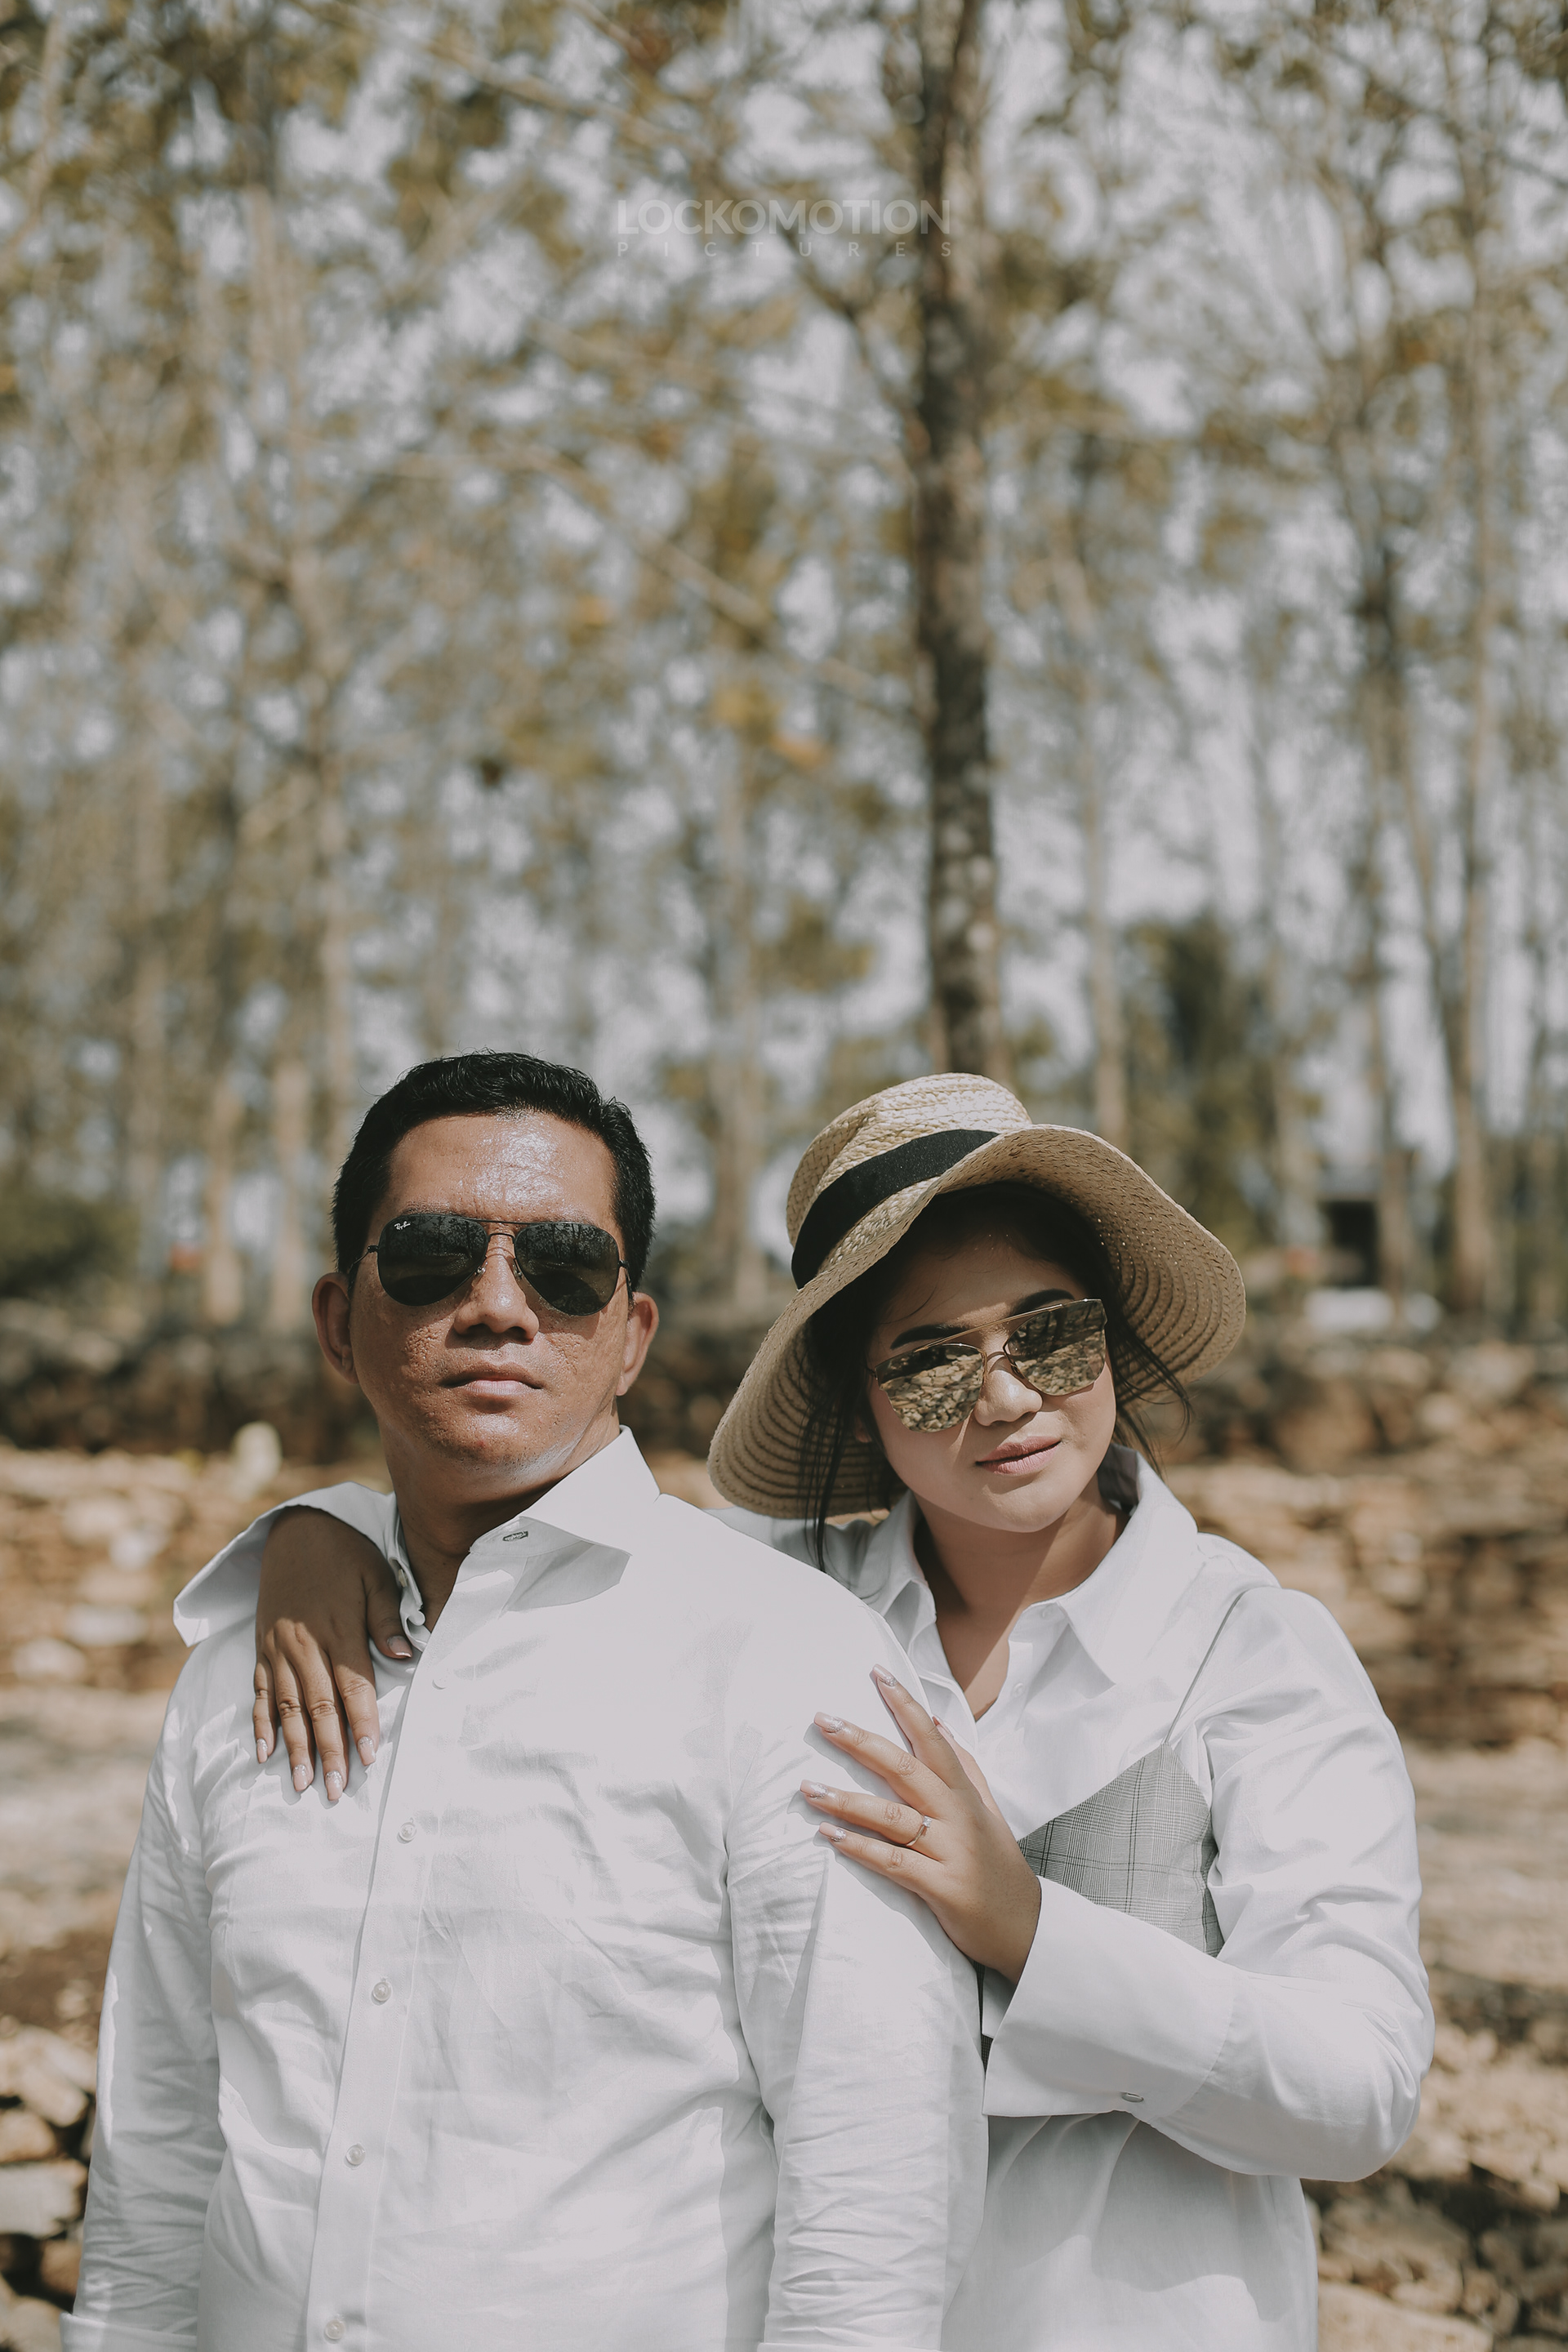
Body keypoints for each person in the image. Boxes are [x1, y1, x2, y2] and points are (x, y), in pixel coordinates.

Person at [196, 1072, 1432, 2351]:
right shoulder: (769, 1607)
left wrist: (1033, 1934)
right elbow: (530, 1535)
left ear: (1113, 1338)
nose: (1006, 1399)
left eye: (1051, 1335)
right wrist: (326, 1530)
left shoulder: (1253, 1655)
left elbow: (1362, 2087)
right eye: (932, 1363)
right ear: (858, 1399)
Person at [65, 1054, 987, 2352]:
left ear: (631, 1335)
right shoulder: (235, 1678)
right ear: (337, 1321)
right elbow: (158, 2147)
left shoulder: (784, 1664)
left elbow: (877, 2191)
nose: (499, 1305)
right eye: (431, 1255)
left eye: (564, 1267)